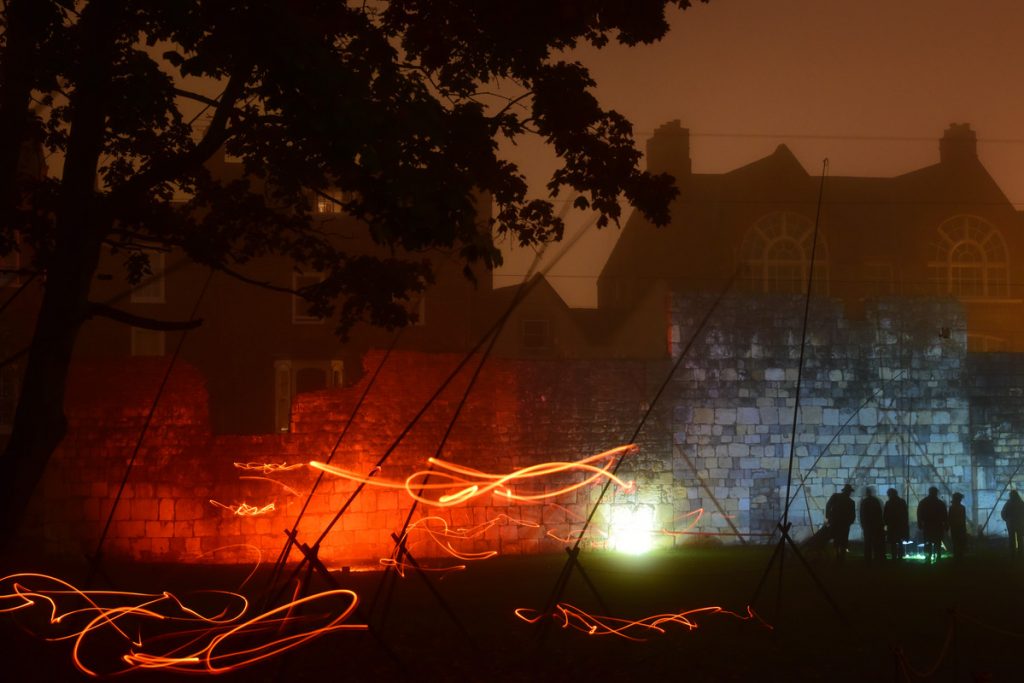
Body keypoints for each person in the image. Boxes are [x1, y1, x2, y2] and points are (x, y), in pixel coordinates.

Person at [917, 486, 948, 563]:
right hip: (937, 525)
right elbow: (945, 515)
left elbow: (919, 513)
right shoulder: (940, 503)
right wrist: (946, 525)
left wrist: (920, 523)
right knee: (937, 542)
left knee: (928, 542)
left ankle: (928, 557)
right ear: (936, 493)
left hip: (928, 525)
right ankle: (938, 557)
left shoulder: (923, 502)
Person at [825, 484, 856, 562]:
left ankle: (839, 556)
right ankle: (841, 557)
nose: (849, 493)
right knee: (843, 540)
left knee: (838, 540)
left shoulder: (836, 497)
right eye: (849, 491)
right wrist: (850, 521)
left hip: (837, 522)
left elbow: (828, 505)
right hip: (843, 524)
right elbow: (852, 514)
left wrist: (829, 516)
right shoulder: (850, 502)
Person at [859, 486, 885, 564]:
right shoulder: (876, 501)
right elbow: (879, 513)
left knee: (868, 543)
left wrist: (863, 524)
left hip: (868, 525)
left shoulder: (864, 502)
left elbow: (862, 514)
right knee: (876, 542)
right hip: (876, 525)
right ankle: (877, 558)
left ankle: (868, 559)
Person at [884, 488, 910, 560]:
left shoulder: (889, 503)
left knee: (893, 542)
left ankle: (894, 556)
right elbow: (905, 514)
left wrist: (886, 523)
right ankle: (900, 555)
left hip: (892, 525)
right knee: (899, 540)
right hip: (900, 525)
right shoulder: (901, 502)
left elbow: (885, 515)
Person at [1001, 490, 1024, 558]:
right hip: (1019, 523)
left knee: (1011, 539)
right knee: (1020, 539)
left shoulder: (1008, 503)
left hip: (1010, 524)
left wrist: (1006, 520)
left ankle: (1012, 554)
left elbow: (1003, 513)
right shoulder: (1021, 503)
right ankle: (1020, 553)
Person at [948, 492, 968, 561]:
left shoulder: (952, 508)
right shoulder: (962, 508)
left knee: (956, 542)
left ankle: (957, 556)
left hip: (955, 528)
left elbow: (950, 518)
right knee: (960, 542)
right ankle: (960, 556)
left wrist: (948, 526)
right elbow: (963, 519)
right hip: (960, 527)